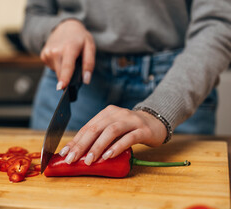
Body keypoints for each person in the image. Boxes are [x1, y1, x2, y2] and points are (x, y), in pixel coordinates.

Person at [21, 0, 231, 166]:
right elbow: (33, 18)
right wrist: (55, 28)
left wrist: (160, 111)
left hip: (175, 79)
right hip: (74, 76)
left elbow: (219, 23)